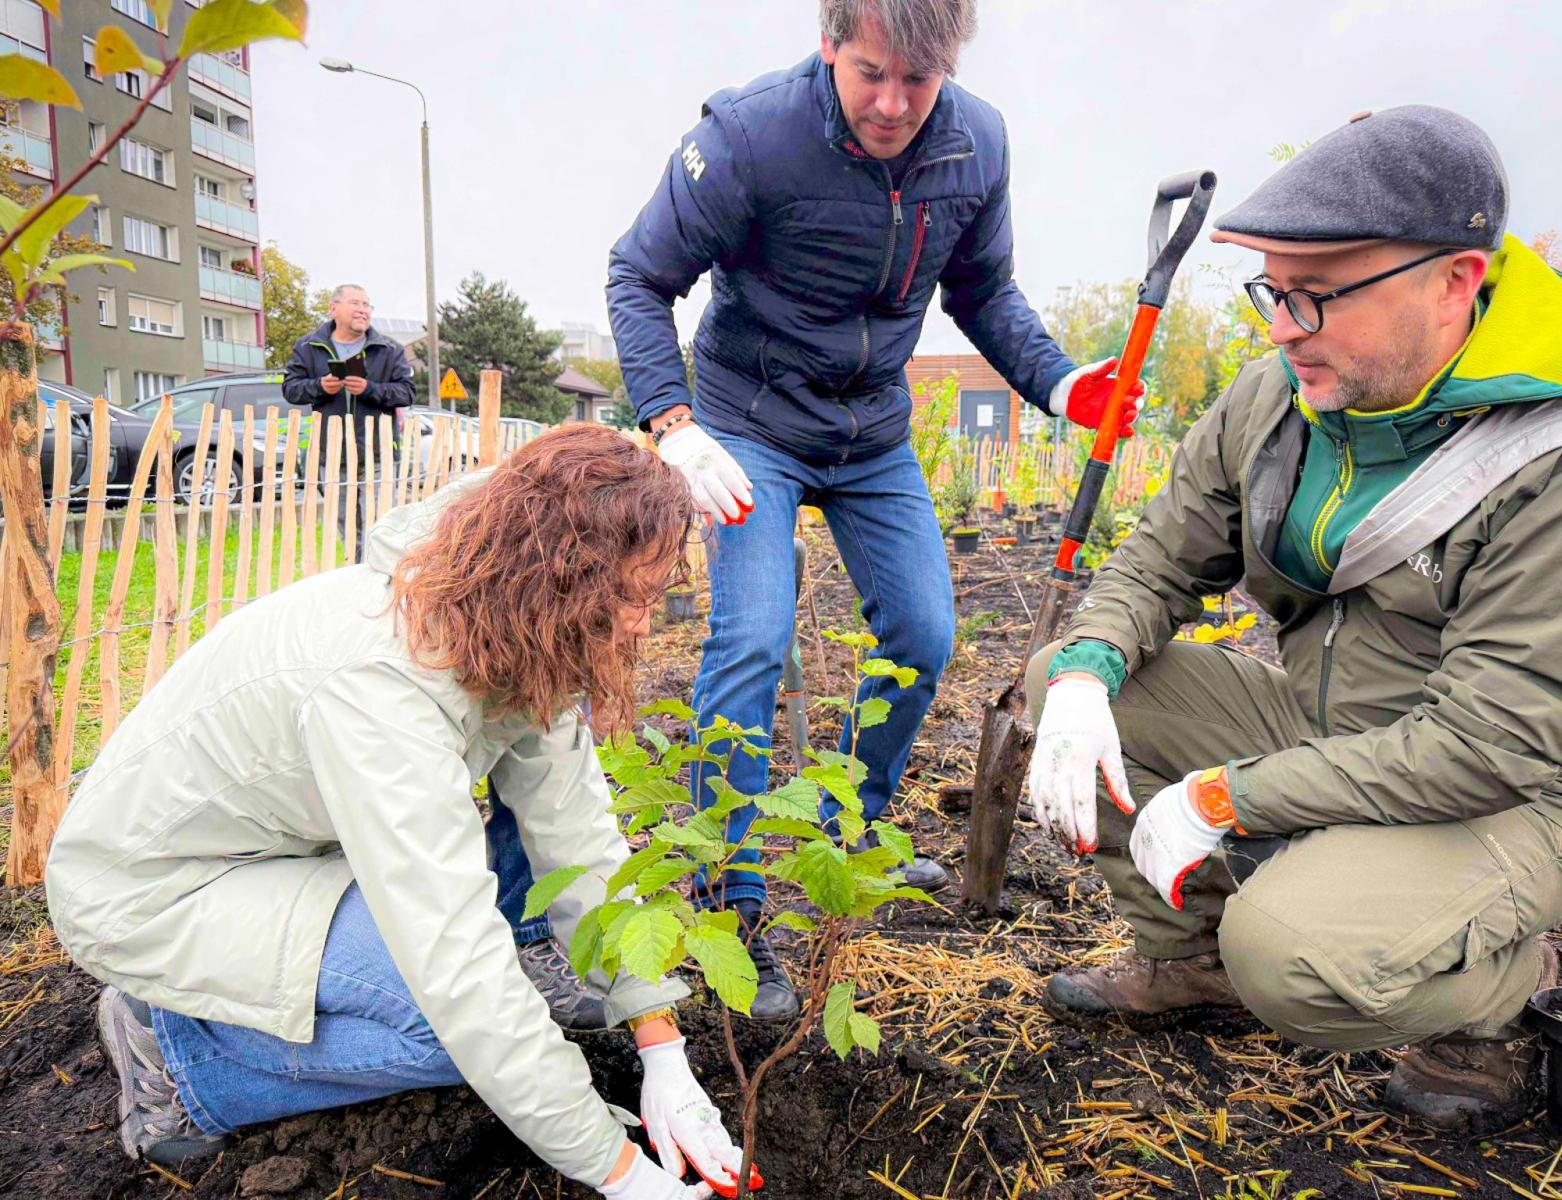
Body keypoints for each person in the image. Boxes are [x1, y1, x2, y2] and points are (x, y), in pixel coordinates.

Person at [1025, 105, 1562, 1134]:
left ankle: (1504, 989)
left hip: (1523, 792)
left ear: (1454, 282)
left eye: (1317, 297)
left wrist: (1221, 798)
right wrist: (1083, 672)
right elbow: (1155, 559)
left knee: (1289, 953)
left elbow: (1487, 745)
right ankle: (1191, 960)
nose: (1282, 329)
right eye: (1271, 292)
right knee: (1072, 681)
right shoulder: (1279, 395)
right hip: (1342, 731)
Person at [607, 0, 1141, 1022]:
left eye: (919, 82)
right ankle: (735, 900)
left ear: (950, 69)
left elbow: (983, 292)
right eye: (870, 75)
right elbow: (639, 273)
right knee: (752, 641)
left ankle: (851, 833)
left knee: (925, 632)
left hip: (870, 435)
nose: (893, 104)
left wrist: (1063, 385)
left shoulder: (975, 142)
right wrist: (672, 422)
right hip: (746, 424)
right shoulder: (748, 135)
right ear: (828, 47)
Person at [46, 427, 750, 1198]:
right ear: (564, 578)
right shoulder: (382, 682)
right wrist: (621, 1176)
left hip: (275, 857)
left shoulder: (515, 624)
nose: (646, 622)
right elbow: (457, 971)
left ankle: (218, 1007)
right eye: (633, 596)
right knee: (448, 1031)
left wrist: (661, 1046)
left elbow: (577, 836)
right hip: (148, 892)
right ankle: (178, 1060)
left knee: (501, 1011)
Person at [283, 284, 416, 562]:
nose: (363, 310)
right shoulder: (309, 348)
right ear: (334, 308)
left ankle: (378, 579)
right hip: (334, 456)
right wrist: (320, 386)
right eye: (355, 303)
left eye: (367, 305)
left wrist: (369, 389)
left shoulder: (388, 349)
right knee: (346, 525)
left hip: (377, 453)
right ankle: (357, 576)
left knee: (380, 526)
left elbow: (407, 392)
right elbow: (291, 389)